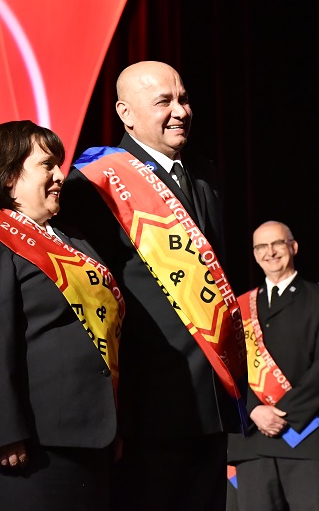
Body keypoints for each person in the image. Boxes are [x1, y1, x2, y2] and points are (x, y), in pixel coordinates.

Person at [56, 61, 242, 510]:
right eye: (164, 101)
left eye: (183, 98)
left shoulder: (206, 175)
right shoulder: (94, 183)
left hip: (211, 401)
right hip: (147, 406)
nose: (180, 111)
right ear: (126, 113)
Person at [0, 120, 122, 510]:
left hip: (87, 440)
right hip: (22, 445)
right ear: (9, 176)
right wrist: (3, 431)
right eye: (47, 165)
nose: (61, 175)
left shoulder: (75, 242)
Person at [228, 221, 319, 511]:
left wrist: (281, 414)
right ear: (254, 255)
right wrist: (254, 410)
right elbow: (229, 369)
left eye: (277, 244)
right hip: (252, 442)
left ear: (293, 247)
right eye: (261, 247)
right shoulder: (239, 307)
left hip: (308, 437)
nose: (270, 252)